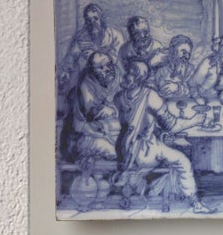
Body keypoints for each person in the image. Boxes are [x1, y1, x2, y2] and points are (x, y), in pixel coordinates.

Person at [114, 61, 209, 212]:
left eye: (130, 72)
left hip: (125, 150)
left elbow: (139, 124)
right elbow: (172, 125)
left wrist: (158, 131)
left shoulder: (119, 97)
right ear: (142, 78)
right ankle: (195, 203)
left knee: (169, 147)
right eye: (129, 72)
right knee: (183, 161)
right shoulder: (149, 95)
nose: (126, 75)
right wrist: (194, 120)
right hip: (145, 151)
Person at [59, 51, 121, 167]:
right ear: (92, 70)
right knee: (117, 152)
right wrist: (112, 110)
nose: (107, 69)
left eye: (108, 65)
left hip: (103, 130)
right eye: (100, 68)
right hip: (84, 136)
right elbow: (92, 114)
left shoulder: (114, 78)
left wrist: (114, 110)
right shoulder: (85, 85)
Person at [57, 3, 124, 96]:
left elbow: (116, 57)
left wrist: (95, 54)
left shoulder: (115, 35)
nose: (92, 23)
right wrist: (65, 70)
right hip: (88, 79)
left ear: (101, 19)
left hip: (110, 77)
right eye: (88, 20)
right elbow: (71, 56)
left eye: (95, 18)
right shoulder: (81, 36)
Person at [118, 15, 168, 79]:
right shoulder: (124, 50)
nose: (142, 36)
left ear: (149, 31)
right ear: (131, 36)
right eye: (136, 33)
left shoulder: (158, 48)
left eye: (145, 31)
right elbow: (123, 70)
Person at [150, 34, 197, 103]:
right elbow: (160, 91)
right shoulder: (162, 70)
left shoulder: (191, 70)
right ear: (173, 52)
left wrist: (177, 88)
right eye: (183, 52)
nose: (186, 56)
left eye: (188, 54)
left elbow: (194, 92)